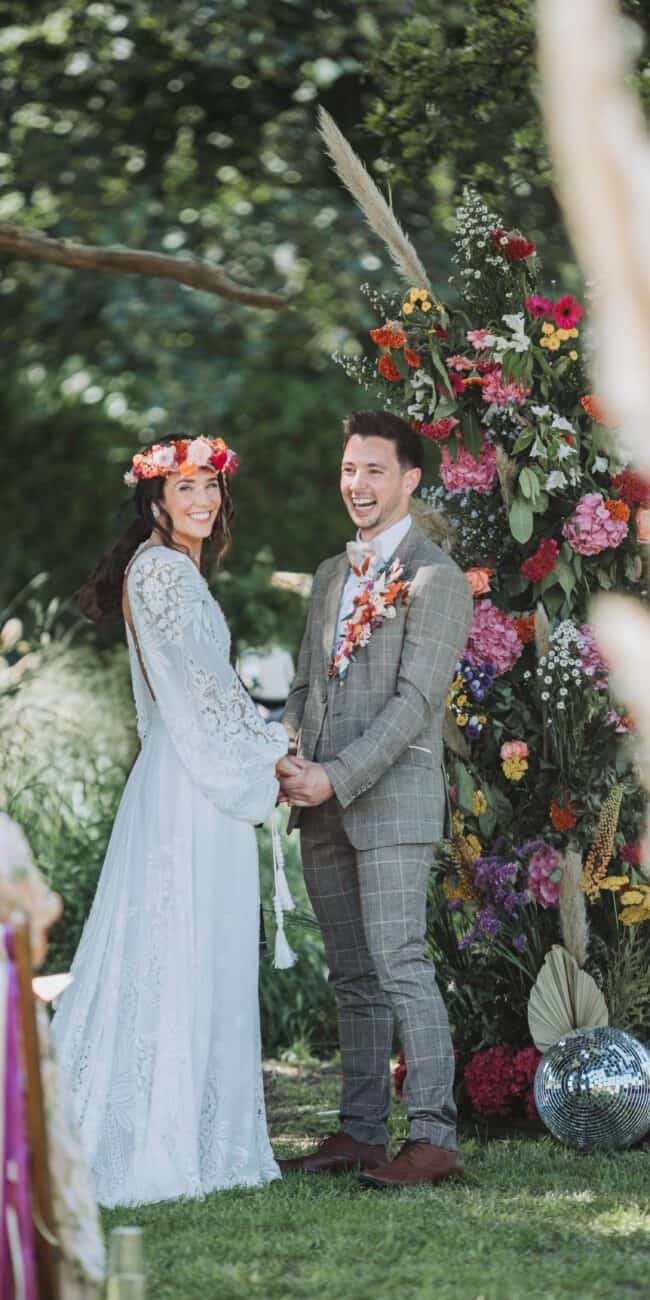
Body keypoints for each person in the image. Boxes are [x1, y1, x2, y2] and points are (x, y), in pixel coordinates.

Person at [52, 434, 289, 1207]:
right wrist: (273, 752)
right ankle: (159, 1137)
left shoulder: (169, 569)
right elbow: (204, 694)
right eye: (185, 488)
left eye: (210, 487)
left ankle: (188, 1124)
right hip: (191, 783)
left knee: (184, 945)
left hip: (181, 773)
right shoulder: (164, 573)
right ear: (155, 499)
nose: (202, 501)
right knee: (181, 943)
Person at [277, 409, 472, 1189]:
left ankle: (433, 1137)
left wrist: (337, 773)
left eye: (375, 471)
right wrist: (291, 752)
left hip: (388, 801)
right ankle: (359, 1132)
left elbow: (412, 705)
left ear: (410, 480)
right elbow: (302, 683)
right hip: (317, 799)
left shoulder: (436, 578)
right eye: (350, 469)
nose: (357, 485)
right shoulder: (331, 574)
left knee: (399, 967)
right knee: (351, 976)